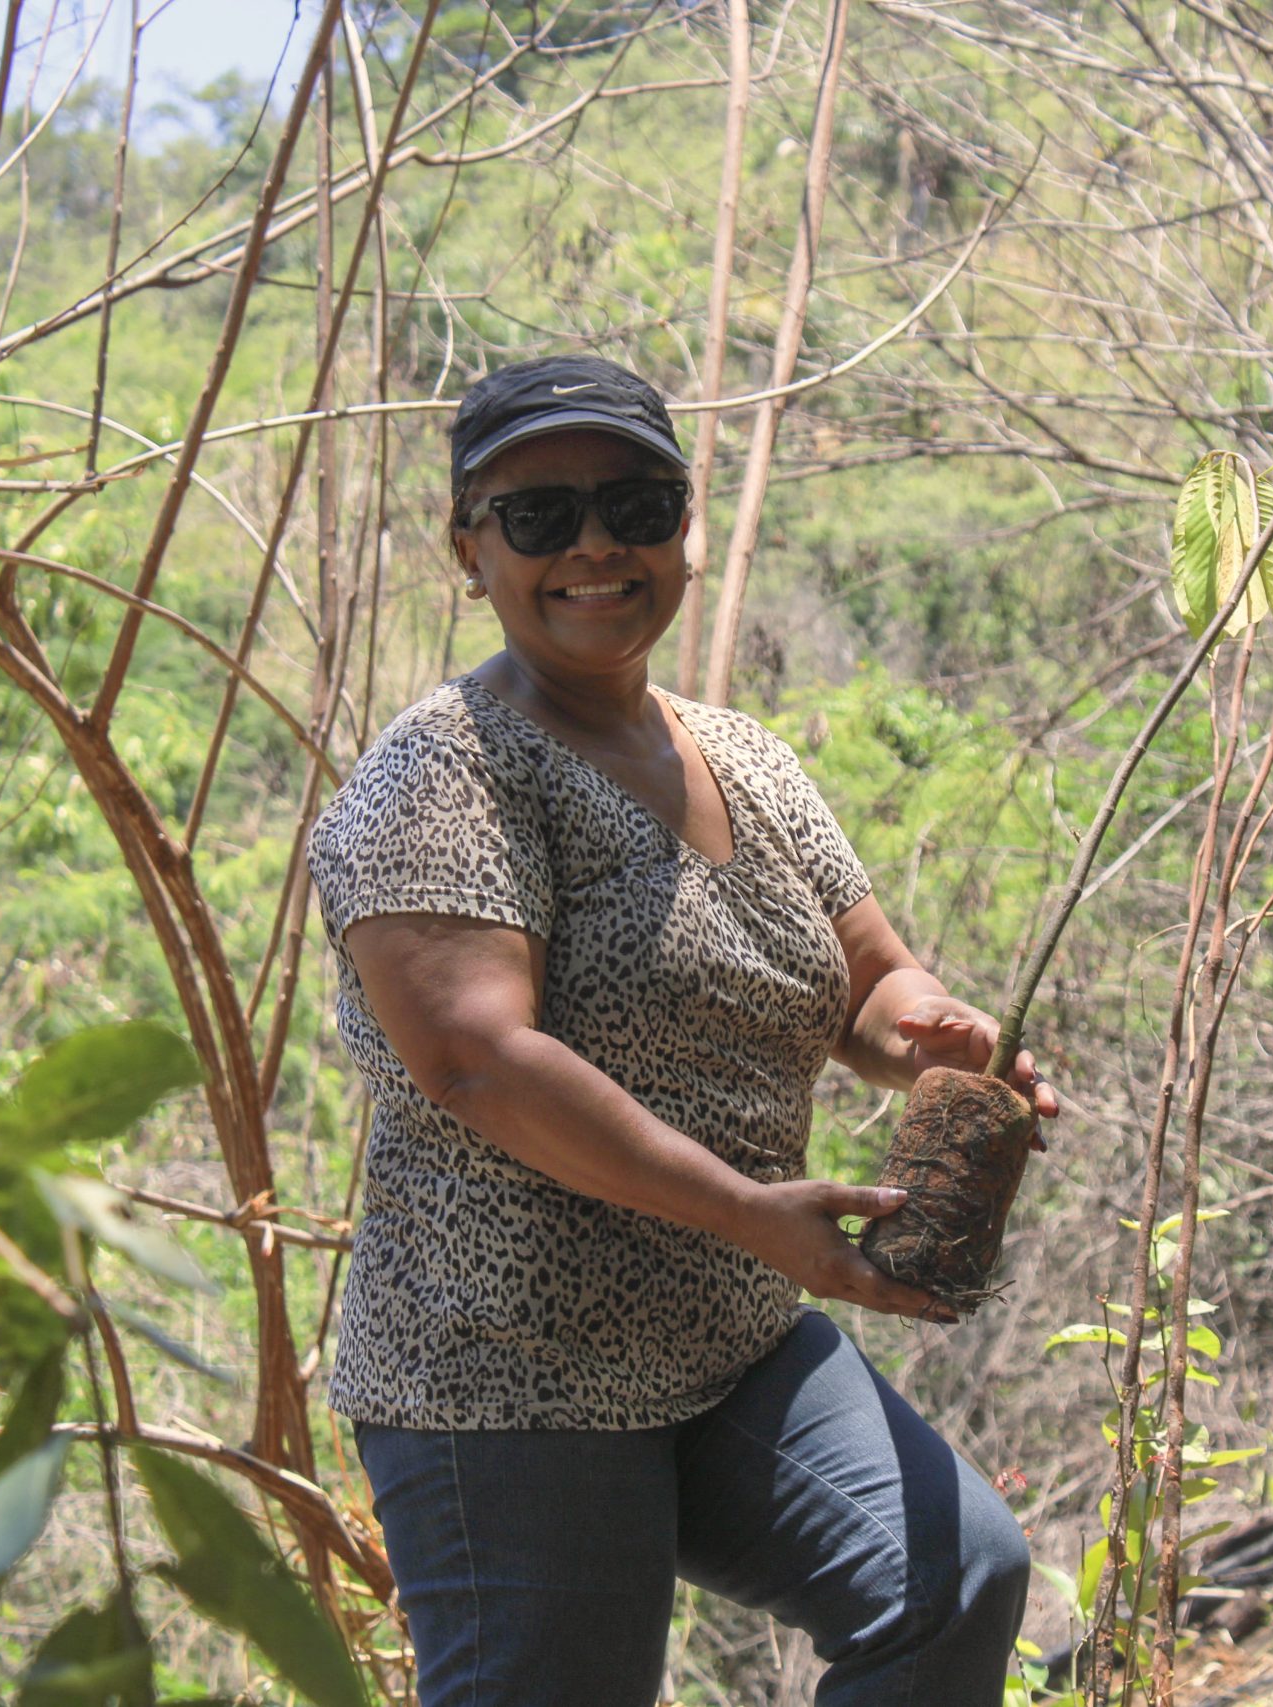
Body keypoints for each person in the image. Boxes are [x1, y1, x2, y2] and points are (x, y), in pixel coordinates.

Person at [306, 352, 1059, 1707]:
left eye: (636, 504)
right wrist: (752, 1210)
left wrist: (938, 1043)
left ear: (684, 527)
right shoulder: (439, 774)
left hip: (726, 1338)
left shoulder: (747, 761)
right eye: (538, 517)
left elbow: (870, 979)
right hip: (507, 1369)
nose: (595, 544)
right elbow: (481, 1060)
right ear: (467, 547)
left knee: (949, 1585)